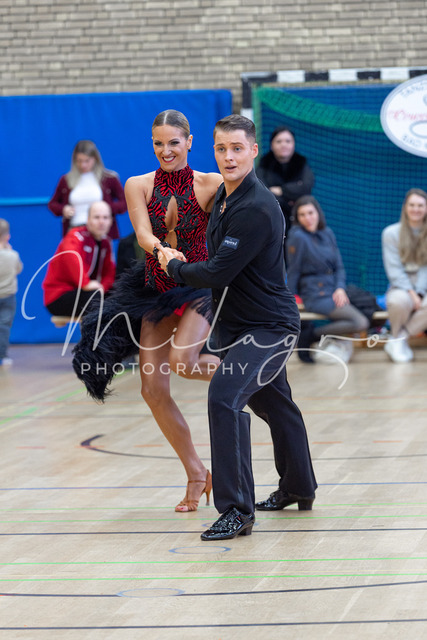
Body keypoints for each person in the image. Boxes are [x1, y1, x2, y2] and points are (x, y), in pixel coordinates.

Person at [159, 114, 317, 541]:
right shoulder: (226, 199)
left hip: (270, 328)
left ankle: (236, 510)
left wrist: (174, 267)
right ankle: (299, 486)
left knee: (224, 398)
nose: (228, 157)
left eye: (236, 149)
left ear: (253, 151)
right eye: (221, 148)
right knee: (275, 405)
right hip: (238, 326)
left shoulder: (256, 208)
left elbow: (217, 272)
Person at [72, 110, 223, 513]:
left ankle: (252, 369)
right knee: (152, 389)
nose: (166, 150)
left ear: (189, 142)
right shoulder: (137, 184)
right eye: (158, 143)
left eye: (174, 142)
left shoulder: (212, 184)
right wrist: (161, 250)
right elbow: (142, 233)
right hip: (157, 288)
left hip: (198, 286)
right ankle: (196, 473)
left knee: (184, 362)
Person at [286, 195, 369, 363]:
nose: (307, 218)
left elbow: (339, 267)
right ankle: (311, 336)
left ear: (318, 213)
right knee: (360, 322)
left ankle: (313, 336)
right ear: (297, 218)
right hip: (314, 294)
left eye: (310, 213)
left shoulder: (327, 233)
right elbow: (293, 270)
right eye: (302, 215)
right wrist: (287, 299)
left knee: (367, 309)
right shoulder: (298, 237)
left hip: (333, 290)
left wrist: (340, 288)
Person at [42, 201, 116, 317]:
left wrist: (103, 287)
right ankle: (94, 329)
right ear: (88, 220)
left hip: (86, 292)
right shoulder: (76, 235)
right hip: (59, 296)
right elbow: (71, 257)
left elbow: (109, 272)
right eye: (96, 217)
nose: (101, 222)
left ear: (111, 221)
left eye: (105, 218)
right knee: (95, 298)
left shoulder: (106, 243)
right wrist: (85, 283)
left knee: (119, 297)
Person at [382, 188, 427, 363]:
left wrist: (420, 292)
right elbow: (394, 269)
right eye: (412, 205)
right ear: (405, 207)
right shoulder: (391, 233)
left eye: (420, 205)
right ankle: (397, 339)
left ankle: (399, 339)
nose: (416, 209)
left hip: (424, 285)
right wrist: (411, 293)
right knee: (398, 302)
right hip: (400, 286)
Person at [48, 139, 127, 240]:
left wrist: (105, 208)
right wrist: (64, 209)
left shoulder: (109, 178)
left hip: (101, 232)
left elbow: (124, 203)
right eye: (79, 161)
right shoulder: (66, 180)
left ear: (95, 159)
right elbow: (52, 204)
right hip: (75, 230)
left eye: (87, 161)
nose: (83, 165)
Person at [256, 126, 314, 232]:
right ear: (271, 145)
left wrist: (282, 190)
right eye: (279, 141)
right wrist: (290, 198)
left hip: (299, 222)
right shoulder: (264, 164)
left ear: (293, 144)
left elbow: (306, 187)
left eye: (288, 141)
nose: (283, 145)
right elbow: (263, 192)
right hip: (272, 222)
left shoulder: (301, 163)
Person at [0, 219, 23, 366]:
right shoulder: (13, 255)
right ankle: (2, 355)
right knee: (4, 326)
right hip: (8, 296)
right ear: (7, 236)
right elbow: (19, 269)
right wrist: (8, 250)